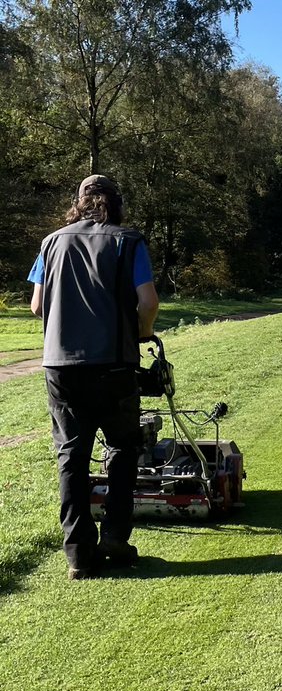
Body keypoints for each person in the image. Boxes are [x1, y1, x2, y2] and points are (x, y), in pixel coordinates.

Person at [28, 175, 159, 580]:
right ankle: (115, 537)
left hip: (60, 367)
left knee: (71, 456)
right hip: (114, 364)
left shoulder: (51, 243)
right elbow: (148, 301)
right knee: (122, 448)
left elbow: (36, 306)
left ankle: (79, 556)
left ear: (78, 203)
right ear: (115, 203)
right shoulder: (128, 241)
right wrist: (141, 331)